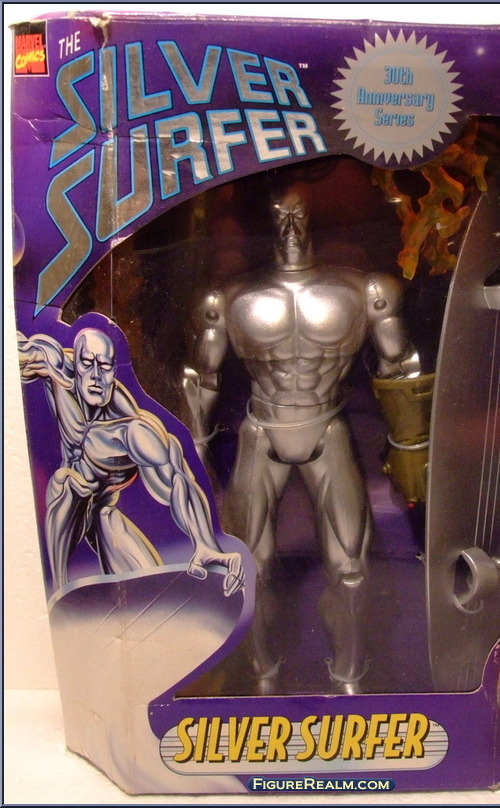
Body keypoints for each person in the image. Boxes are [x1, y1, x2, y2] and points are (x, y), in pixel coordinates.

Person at [184, 184, 431, 692]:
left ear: (316, 217)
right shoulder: (229, 298)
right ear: (265, 221)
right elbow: (200, 379)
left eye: (298, 215)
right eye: (280, 216)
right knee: (248, 570)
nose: (291, 229)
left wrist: (411, 446)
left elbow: (401, 367)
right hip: (261, 431)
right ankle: (262, 674)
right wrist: (195, 457)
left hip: (327, 425)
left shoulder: (363, 290)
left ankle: (349, 674)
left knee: (352, 572)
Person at [18, 327, 244, 596]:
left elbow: (176, 477)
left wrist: (206, 543)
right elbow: (18, 347)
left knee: (150, 588)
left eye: (105, 366)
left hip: (103, 511)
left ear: (115, 370)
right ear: (75, 362)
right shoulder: (55, 365)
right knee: (68, 483)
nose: (96, 375)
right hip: (67, 501)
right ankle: (60, 590)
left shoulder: (131, 427)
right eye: (87, 363)